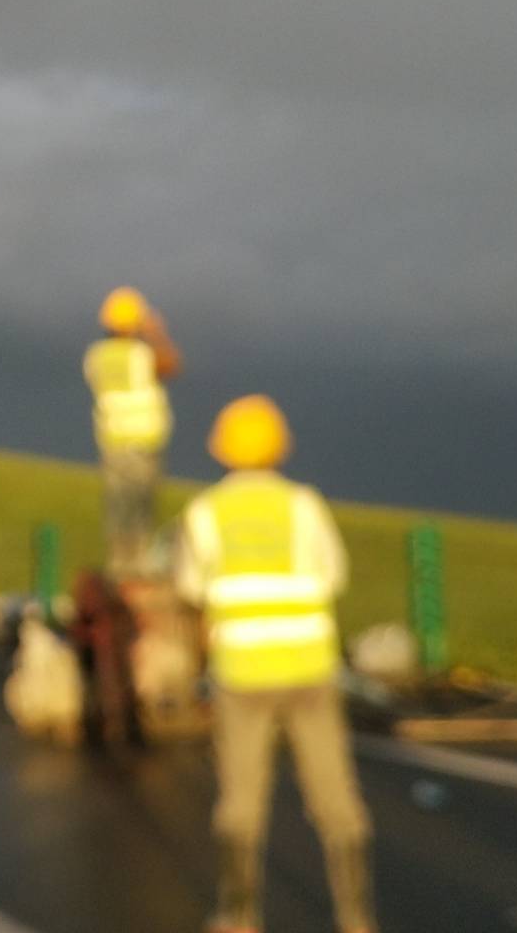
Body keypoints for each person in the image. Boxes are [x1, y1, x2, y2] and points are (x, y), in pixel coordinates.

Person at [175, 395, 376, 933]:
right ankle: (356, 918)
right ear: (278, 449)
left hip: (243, 678)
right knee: (336, 801)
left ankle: (238, 917)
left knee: (241, 805)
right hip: (310, 673)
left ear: (223, 451)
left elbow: (192, 589)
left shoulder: (203, 513)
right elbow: (333, 576)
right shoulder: (304, 505)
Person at [83, 286, 182, 579]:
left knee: (118, 510)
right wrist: (154, 332)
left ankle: (118, 569)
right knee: (140, 511)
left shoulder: (96, 356)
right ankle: (136, 573)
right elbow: (171, 364)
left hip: (112, 443)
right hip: (142, 442)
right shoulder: (141, 353)